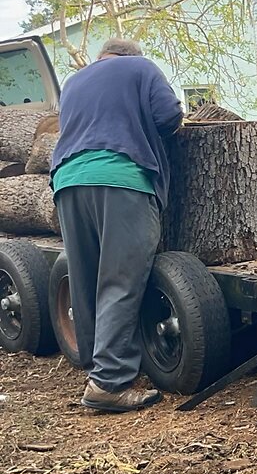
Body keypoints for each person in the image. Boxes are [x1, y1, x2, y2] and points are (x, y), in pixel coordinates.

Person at [50, 38, 183, 412]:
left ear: (101, 57)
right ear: (130, 56)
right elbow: (168, 117)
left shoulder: (75, 81)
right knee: (120, 279)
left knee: (87, 278)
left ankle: (97, 367)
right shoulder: (140, 68)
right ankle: (108, 384)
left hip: (68, 181)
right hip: (120, 179)